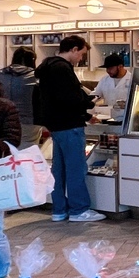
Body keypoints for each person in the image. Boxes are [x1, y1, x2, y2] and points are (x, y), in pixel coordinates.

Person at [35, 35, 104, 223]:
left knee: (59, 170)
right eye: (81, 54)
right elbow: (71, 99)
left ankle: (59, 210)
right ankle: (79, 210)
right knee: (76, 169)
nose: (80, 58)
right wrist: (87, 106)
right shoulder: (63, 69)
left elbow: (56, 100)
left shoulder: (47, 68)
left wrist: (87, 115)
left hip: (56, 126)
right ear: (74, 49)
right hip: (70, 125)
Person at [0, 77, 21, 278]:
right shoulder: (5, 105)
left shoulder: (3, 106)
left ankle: (1, 275)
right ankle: (1, 275)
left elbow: (11, 143)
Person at [0, 46, 41, 148]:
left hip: (2, 121)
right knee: (28, 152)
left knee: (7, 151)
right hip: (29, 121)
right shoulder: (35, 76)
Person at [91, 53, 133, 123]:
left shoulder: (132, 79)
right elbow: (96, 95)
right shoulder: (104, 80)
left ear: (120, 66)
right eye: (107, 68)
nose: (108, 71)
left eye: (110, 68)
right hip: (108, 118)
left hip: (126, 119)